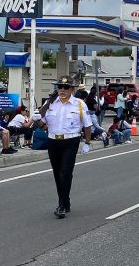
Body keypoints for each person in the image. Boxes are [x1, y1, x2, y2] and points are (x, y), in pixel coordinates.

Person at [31, 76, 93, 218]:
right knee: (58, 174)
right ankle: (65, 202)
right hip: (53, 141)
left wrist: (87, 143)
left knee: (65, 173)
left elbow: (87, 125)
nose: (62, 90)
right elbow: (44, 125)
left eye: (66, 87)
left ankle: (61, 205)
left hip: (71, 141)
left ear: (72, 89)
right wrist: (36, 120)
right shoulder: (50, 103)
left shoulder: (79, 104)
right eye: (60, 87)